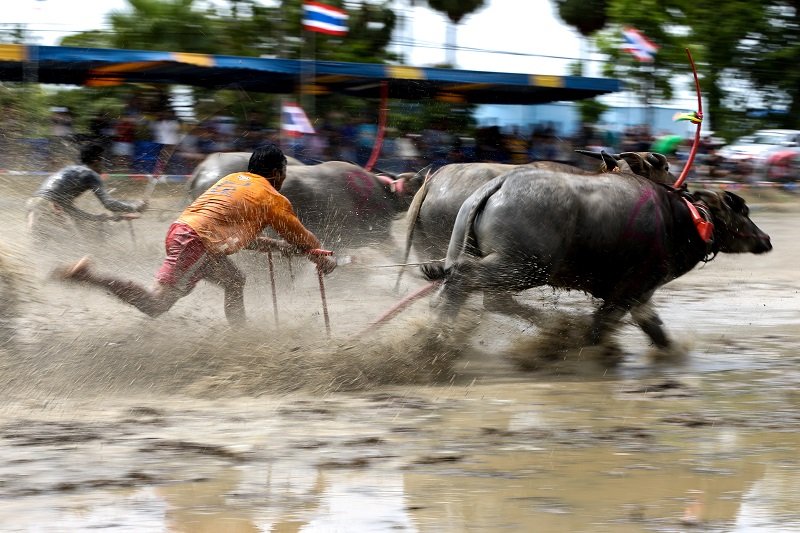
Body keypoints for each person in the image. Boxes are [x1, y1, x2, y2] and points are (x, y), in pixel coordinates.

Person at [53, 143, 337, 325]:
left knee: (235, 280)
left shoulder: (233, 180)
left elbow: (231, 234)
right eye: (284, 174)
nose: (284, 179)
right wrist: (321, 257)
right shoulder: (272, 197)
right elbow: (303, 240)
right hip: (197, 242)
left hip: (185, 231)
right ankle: (88, 276)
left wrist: (277, 248)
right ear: (278, 173)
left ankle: (240, 336)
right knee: (156, 304)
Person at [26, 143, 147, 239]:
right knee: (77, 244)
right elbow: (109, 204)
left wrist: (100, 218)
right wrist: (135, 206)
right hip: (47, 207)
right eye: (103, 160)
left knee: (44, 245)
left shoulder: (69, 170)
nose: (104, 164)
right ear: (96, 161)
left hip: (33, 204)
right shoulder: (91, 175)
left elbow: (74, 213)